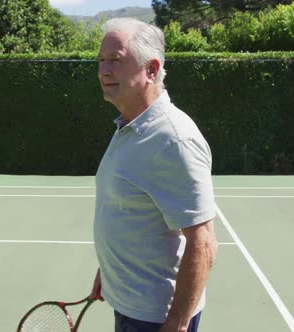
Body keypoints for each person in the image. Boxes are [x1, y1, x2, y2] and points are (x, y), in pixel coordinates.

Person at [90, 17, 218, 332]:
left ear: (151, 69)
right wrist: (107, 273)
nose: (104, 70)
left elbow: (203, 242)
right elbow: (127, 209)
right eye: (102, 60)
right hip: (130, 303)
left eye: (116, 61)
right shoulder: (130, 126)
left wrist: (177, 321)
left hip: (156, 318)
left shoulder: (172, 139)